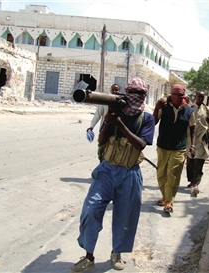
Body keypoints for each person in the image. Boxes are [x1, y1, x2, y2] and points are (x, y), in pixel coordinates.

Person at [70, 78, 155, 272]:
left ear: (144, 96)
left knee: (124, 217)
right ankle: (88, 256)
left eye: (139, 93)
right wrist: (109, 124)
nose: (134, 96)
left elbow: (141, 144)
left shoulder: (146, 118)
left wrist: (121, 125)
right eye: (131, 92)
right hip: (107, 170)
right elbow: (101, 141)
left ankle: (117, 253)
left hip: (130, 173)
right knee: (91, 210)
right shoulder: (114, 111)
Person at [153, 84, 195, 214]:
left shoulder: (188, 110)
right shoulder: (164, 107)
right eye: (174, 94)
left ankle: (169, 202)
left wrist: (192, 146)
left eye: (180, 95)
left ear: (183, 96)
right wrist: (156, 108)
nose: (177, 97)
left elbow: (193, 128)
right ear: (171, 94)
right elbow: (153, 122)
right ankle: (165, 196)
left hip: (179, 148)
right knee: (161, 174)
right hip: (163, 146)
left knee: (173, 174)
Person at [186, 91, 209, 195]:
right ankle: (191, 180)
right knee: (190, 162)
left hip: (202, 140)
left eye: (202, 97)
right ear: (196, 96)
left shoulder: (207, 110)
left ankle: (196, 182)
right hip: (190, 139)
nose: (201, 99)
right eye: (199, 96)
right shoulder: (190, 108)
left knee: (199, 162)